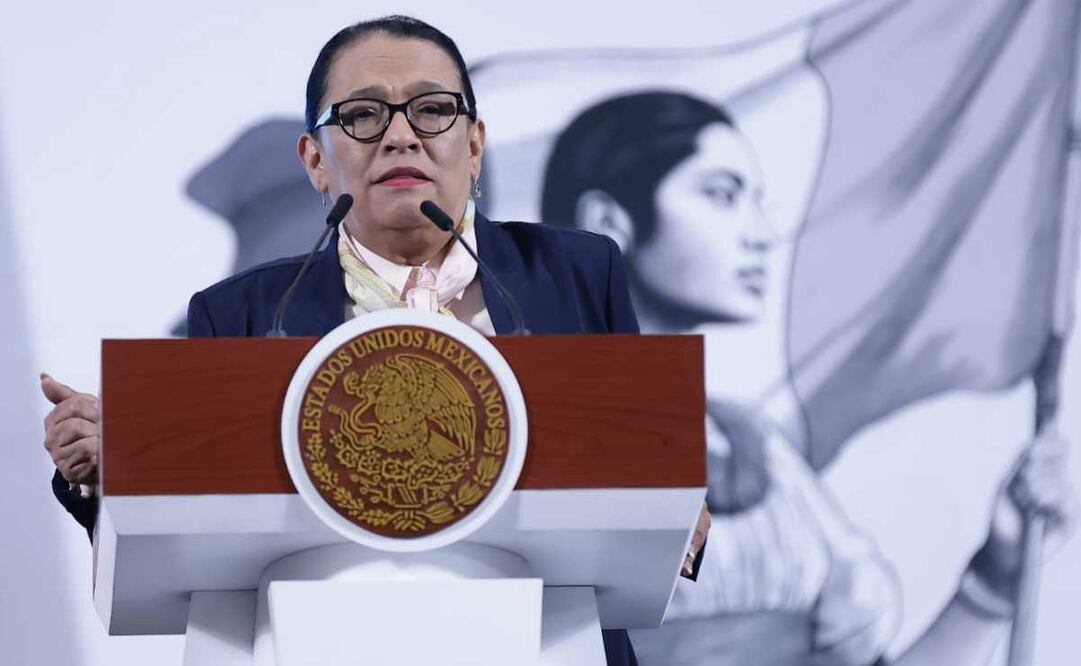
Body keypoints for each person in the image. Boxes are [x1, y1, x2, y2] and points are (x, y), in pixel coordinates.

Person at [40, 16, 711, 666]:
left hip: (549, 643)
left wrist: (677, 499)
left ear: (474, 145)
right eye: (361, 115)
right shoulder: (240, 312)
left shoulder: (575, 273)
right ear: (315, 161)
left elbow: (640, 464)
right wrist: (114, 473)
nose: (399, 137)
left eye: (432, 110)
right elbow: (192, 527)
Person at [541, 91, 1077, 665]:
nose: (762, 233)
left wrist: (993, 581)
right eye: (722, 195)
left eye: (758, 201)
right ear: (607, 223)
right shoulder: (528, 434)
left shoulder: (759, 447)